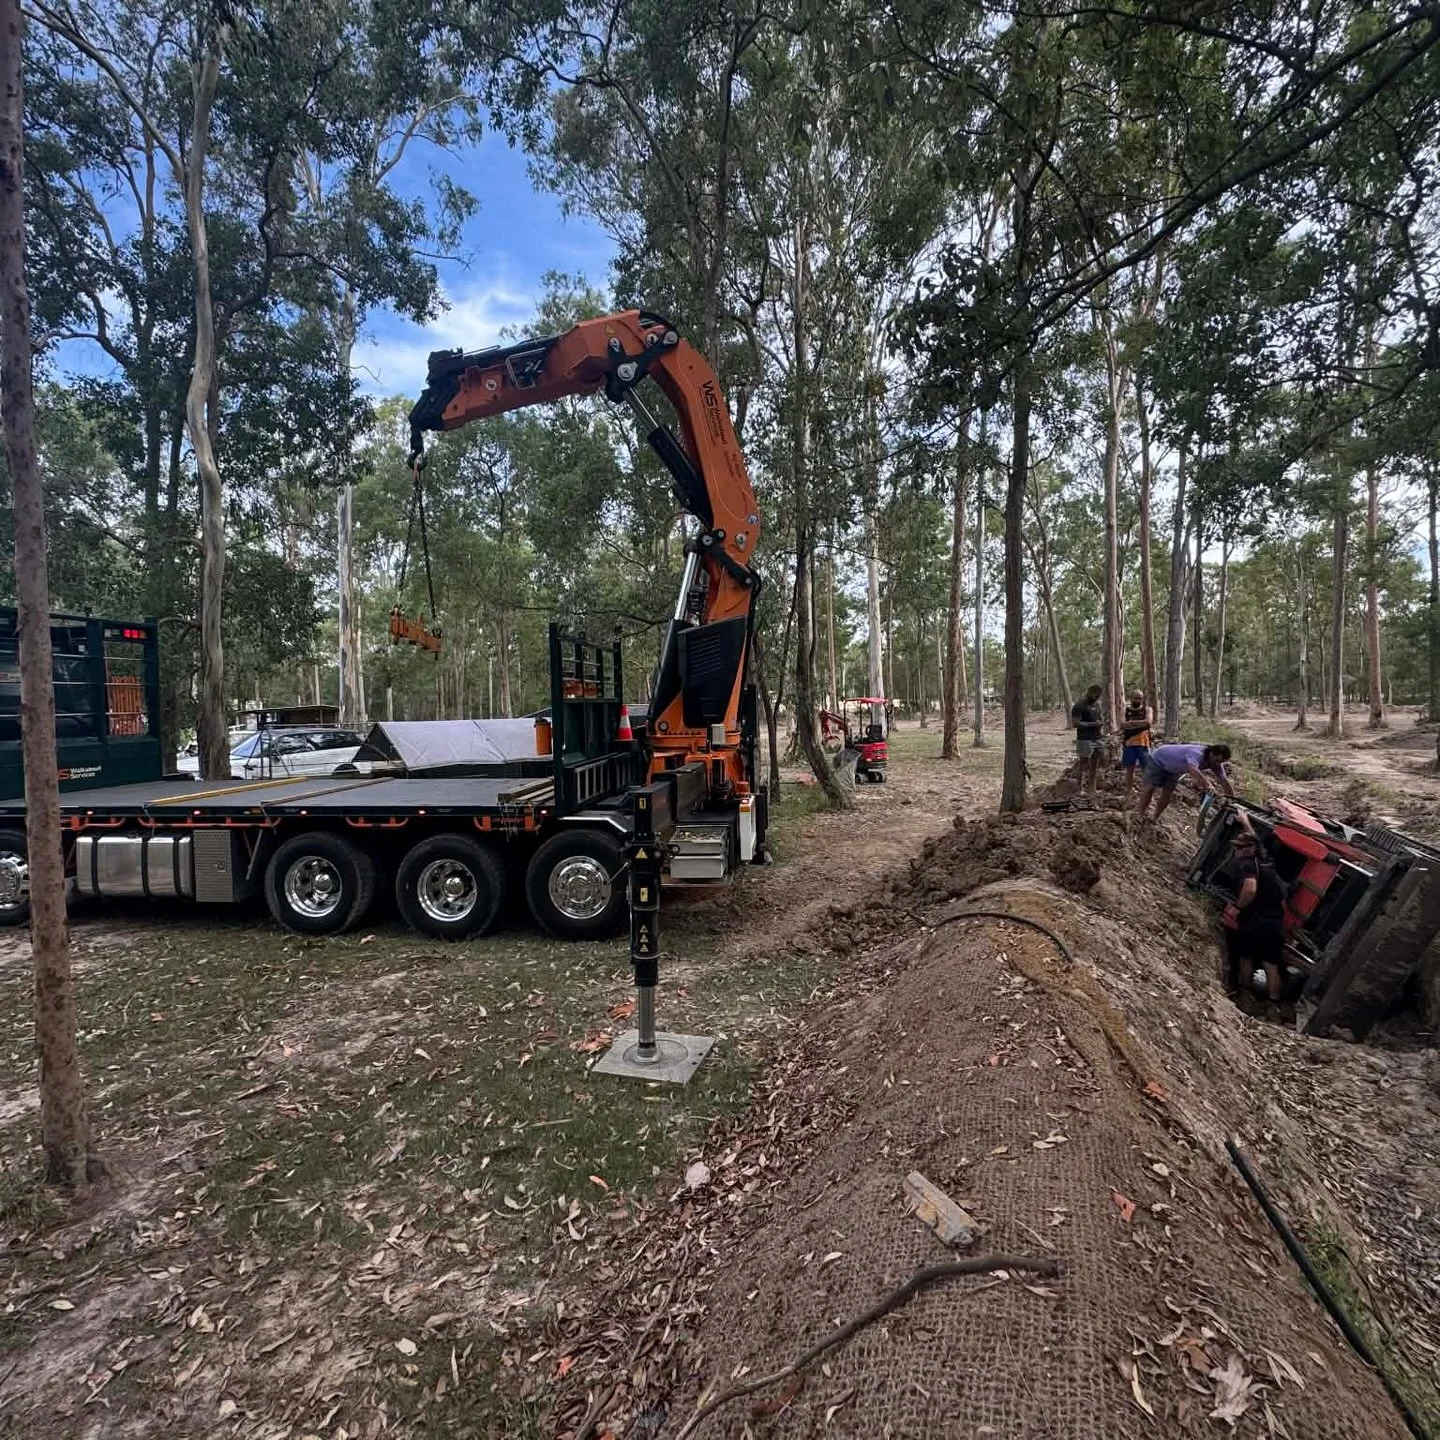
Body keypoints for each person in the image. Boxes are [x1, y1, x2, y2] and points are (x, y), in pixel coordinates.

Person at [1225, 809, 1289, 1000]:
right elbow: (1255, 839)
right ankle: (1273, 1004)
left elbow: (1250, 888)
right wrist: (1245, 822)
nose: (1237, 850)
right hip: (1275, 923)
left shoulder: (1248, 864)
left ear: (1249, 849)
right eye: (1237, 847)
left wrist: (1238, 906)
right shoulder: (1264, 858)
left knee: (1246, 957)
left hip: (1253, 920)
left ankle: (1245, 995)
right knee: (1271, 965)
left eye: (1240, 847)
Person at [1135, 740, 1234, 820]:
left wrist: (1232, 800)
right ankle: (1139, 814)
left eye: (1220, 762)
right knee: (1150, 787)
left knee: (1167, 793)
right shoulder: (1197, 753)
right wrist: (1207, 784)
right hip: (1159, 760)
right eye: (1216, 761)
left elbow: (1224, 781)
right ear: (1212, 754)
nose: (1217, 764)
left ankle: (1154, 817)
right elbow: (1192, 769)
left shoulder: (1216, 764)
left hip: (1174, 769)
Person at [1070, 684, 1104, 795]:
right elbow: (1076, 723)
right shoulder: (1079, 706)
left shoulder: (1097, 705)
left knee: (1095, 764)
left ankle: (1092, 789)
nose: (1096, 697)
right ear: (1089, 692)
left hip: (1097, 738)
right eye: (1094, 695)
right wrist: (1093, 724)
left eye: (1098, 696)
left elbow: (1100, 718)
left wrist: (1100, 723)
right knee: (1083, 764)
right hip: (1084, 739)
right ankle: (1078, 789)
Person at [1120, 690, 1152, 798]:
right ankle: (1128, 791)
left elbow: (1148, 722)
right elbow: (1123, 724)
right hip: (1129, 743)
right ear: (1131, 698)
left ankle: (1146, 790)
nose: (1137, 700)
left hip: (1144, 743)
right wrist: (1140, 724)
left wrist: (1131, 723)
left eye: (1140, 698)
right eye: (1135, 698)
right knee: (1130, 768)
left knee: (1146, 767)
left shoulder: (1147, 709)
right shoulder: (1125, 710)